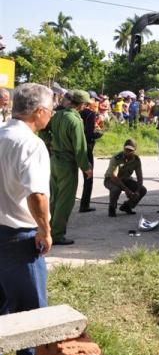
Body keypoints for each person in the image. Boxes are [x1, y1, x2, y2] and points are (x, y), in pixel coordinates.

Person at [0, 84, 54, 355]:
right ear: (39, 112)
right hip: (18, 240)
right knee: (32, 323)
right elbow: (36, 195)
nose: (52, 116)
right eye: (51, 110)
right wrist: (44, 230)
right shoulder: (31, 144)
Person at [47, 90, 93, 246]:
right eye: (85, 104)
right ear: (81, 105)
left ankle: (48, 229)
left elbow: (43, 130)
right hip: (67, 163)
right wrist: (86, 167)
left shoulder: (57, 115)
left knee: (54, 197)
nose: (85, 107)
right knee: (65, 201)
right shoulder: (75, 120)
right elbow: (80, 148)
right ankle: (57, 235)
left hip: (54, 160)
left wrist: (49, 143)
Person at [104, 139, 146, 217]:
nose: (128, 152)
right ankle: (112, 208)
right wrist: (127, 190)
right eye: (126, 149)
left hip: (125, 179)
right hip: (110, 180)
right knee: (116, 189)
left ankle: (127, 206)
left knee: (142, 190)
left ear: (134, 150)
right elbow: (113, 177)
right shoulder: (117, 158)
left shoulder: (136, 160)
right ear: (123, 148)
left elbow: (139, 177)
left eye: (130, 150)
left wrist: (137, 191)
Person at [78, 97, 99, 213]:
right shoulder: (90, 114)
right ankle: (84, 205)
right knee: (88, 177)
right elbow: (89, 133)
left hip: (68, 150)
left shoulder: (66, 114)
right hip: (86, 148)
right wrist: (95, 136)